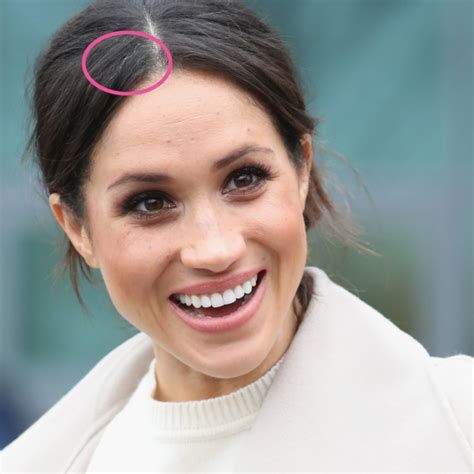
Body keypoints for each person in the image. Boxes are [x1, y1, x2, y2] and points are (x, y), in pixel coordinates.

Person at [1, 0, 472, 472]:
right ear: (77, 228)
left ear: (302, 167)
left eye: (244, 179)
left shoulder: (459, 430)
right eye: (149, 202)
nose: (215, 248)